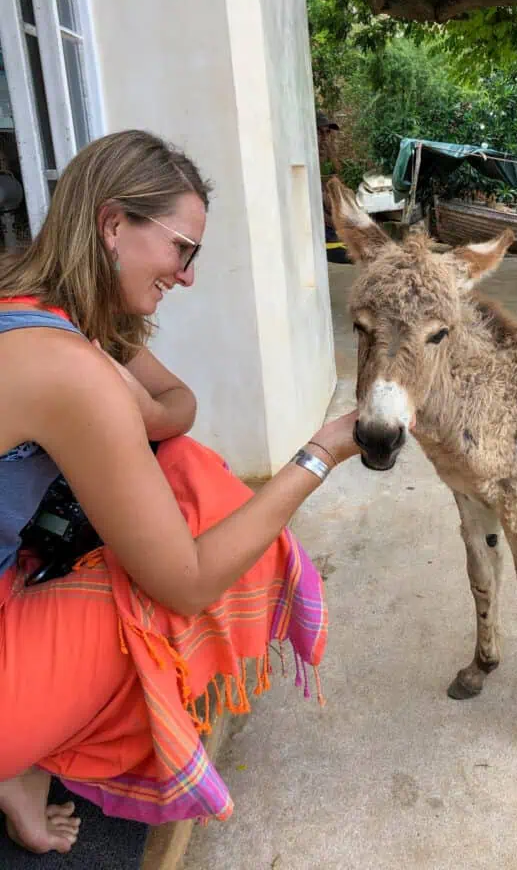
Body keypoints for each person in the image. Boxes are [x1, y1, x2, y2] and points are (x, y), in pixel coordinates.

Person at [0, 130, 360, 854]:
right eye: (182, 250)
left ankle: (28, 751)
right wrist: (321, 452)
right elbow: (188, 581)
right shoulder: (71, 364)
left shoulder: (37, 301)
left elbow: (178, 407)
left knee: (190, 469)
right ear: (111, 225)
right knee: (183, 582)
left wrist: (131, 404)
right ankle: (27, 754)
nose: (187, 275)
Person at [315, 111, 351, 264]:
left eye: (327, 133)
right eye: (319, 133)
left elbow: (339, 174)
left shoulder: (322, 168)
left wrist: (329, 149)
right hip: (324, 242)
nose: (324, 138)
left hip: (334, 237)